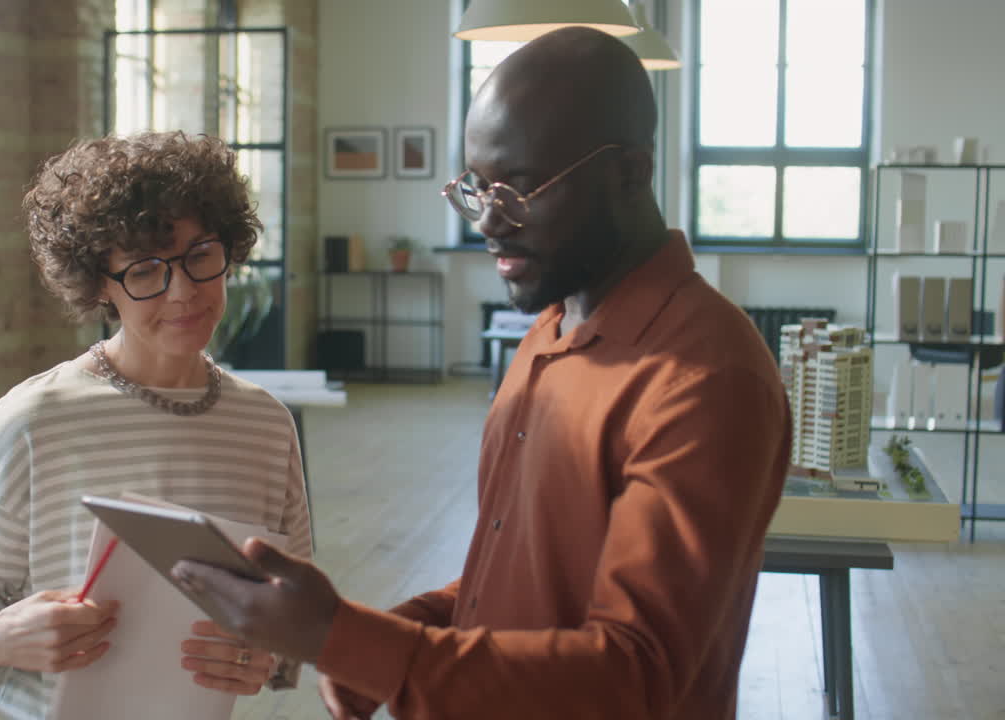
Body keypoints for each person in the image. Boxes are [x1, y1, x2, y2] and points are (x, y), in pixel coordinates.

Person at [170, 27, 791, 720]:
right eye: (477, 189)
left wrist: (343, 638)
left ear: (630, 173)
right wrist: (378, 637)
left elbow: (633, 675)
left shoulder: (706, 377)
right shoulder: (550, 332)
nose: (489, 222)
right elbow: (523, 584)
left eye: (521, 190)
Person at [0, 131, 313, 719]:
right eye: (145, 270)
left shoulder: (266, 425)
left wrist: (270, 654)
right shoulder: (35, 420)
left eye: (200, 256)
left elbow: (299, 610)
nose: (183, 292)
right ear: (101, 282)